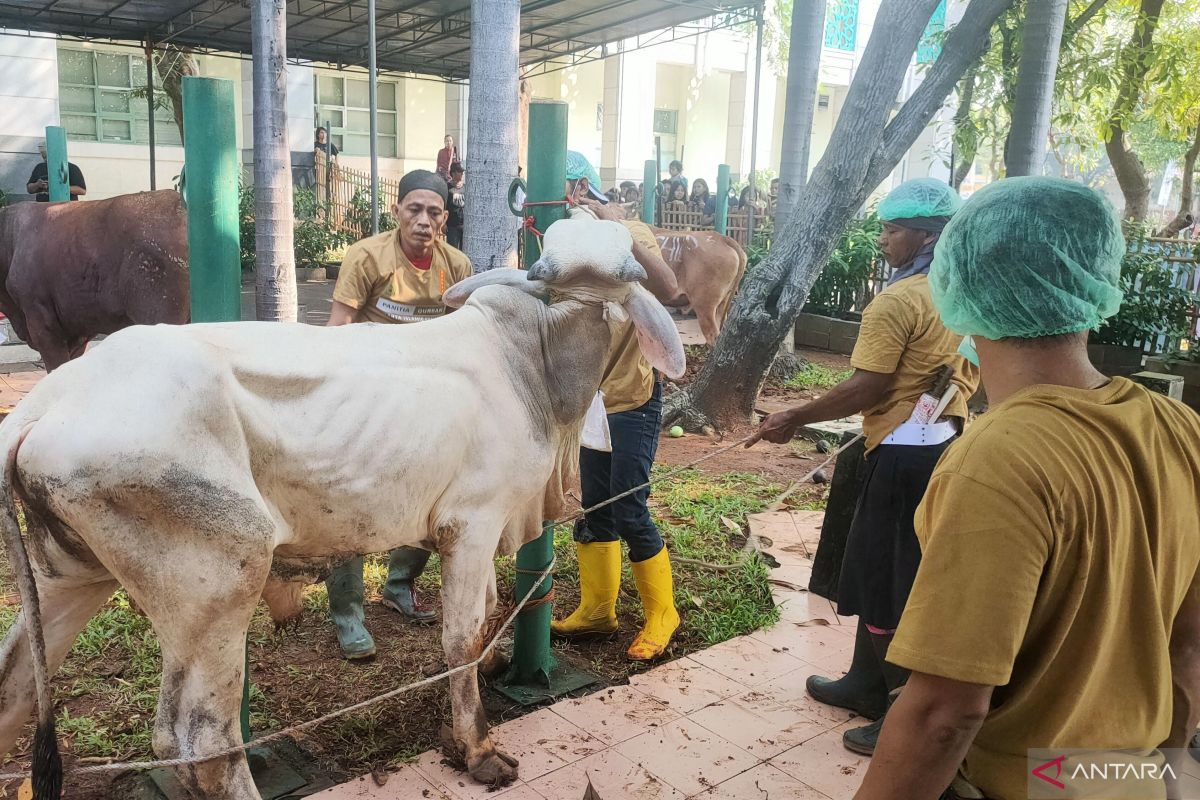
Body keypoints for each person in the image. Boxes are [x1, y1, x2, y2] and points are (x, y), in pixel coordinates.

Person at [853, 177, 1200, 800]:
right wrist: (1166, 781)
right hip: (1121, 778)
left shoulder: (996, 459)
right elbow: (1190, 643)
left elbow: (946, 714)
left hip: (1028, 783)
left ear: (960, 281)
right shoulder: (1181, 428)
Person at [749, 178, 978, 755]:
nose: (882, 240)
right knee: (899, 572)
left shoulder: (897, 301)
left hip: (901, 456)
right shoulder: (965, 292)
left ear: (926, 236)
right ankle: (863, 682)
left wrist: (794, 416)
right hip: (947, 443)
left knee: (886, 584)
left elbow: (867, 385)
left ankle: (901, 712)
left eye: (892, 230)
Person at [323, 169, 474, 660]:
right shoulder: (367, 257)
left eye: (434, 212)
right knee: (347, 503)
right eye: (414, 209)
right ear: (397, 212)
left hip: (426, 407)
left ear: (445, 219)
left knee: (434, 495)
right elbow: (338, 330)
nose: (423, 220)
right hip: (365, 403)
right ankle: (347, 614)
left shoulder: (458, 266)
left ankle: (399, 585)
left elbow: (465, 338)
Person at [551, 151, 683, 661]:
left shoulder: (633, 232)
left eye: (572, 188)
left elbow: (670, 290)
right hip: (591, 402)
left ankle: (662, 613)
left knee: (629, 507)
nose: (569, 198)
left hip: (633, 396)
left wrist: (620, 227)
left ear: (585, 188)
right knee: (595, 505)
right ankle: (598, 609)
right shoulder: (561, 240)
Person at [314, 126, 340, 211]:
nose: (323, 134)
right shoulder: (315, 144)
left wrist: (336, 164)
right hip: (319, 168)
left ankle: (332, 200)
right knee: (320, 186)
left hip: (329, 168)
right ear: (318, 134)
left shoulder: (330, 144)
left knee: (331, 186)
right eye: (321, 132)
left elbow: (336, 155)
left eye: (325, 132)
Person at [445, 162, 465, 249]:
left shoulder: (466, 187)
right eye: (459, 171)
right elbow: (443, 206)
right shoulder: (447, 187)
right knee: (453, 251)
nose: (462, 173)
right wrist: (443, 224)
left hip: (464, 226)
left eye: (462, 171)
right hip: (452, 226)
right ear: (453, 173)